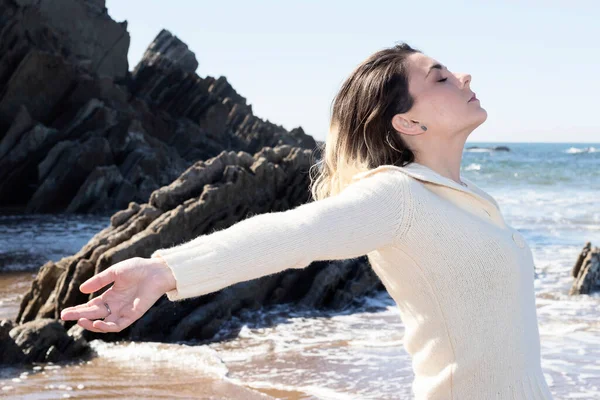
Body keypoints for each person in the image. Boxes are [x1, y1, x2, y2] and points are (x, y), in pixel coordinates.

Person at [60, 43, 554, 399]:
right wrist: (166, 269)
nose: (464, 77)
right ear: (407, 122)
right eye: (441, 78)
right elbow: (294, 233)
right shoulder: (397, 195)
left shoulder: (470, 200)